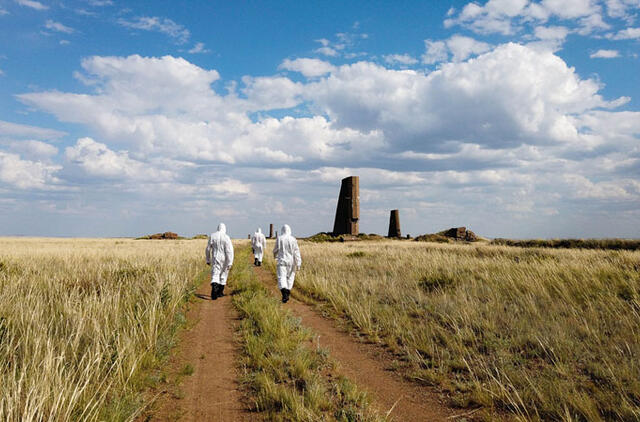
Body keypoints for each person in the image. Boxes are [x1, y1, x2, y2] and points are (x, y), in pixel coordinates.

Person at [273, 224, 301, 303]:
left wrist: (275, 256)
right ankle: (287, 292)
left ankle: (284, 293)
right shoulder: (293, 239)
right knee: (290, 277)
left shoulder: (279, 238)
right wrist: (298, 263)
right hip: (291, 262)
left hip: (282, 261)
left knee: (281, 277)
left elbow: (275, 250)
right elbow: (296, 252)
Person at [205, 223, 234, 300]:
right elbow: (230, 251)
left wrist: (208, 259)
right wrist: (230, 262)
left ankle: (214, 287)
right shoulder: (226, 237)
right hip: (225, 258)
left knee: (215, 273)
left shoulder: (212, 236)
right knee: (224, 273)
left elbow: (208, 249)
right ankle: (220, 292)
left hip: (215, 257)